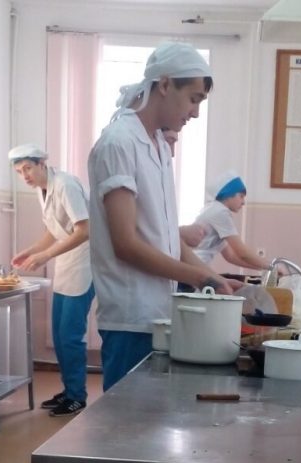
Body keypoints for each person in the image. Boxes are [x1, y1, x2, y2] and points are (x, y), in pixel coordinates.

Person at [87, 42, 236, 391]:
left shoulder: (158, 146)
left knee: (152, 418)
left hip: (159, 313)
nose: (195, 113)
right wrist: (200, 278)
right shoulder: (119, 143)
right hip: (132, 316)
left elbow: (168, 238)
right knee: (127, 419)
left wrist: (215, 280)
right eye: (194, 99)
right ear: (166, 84)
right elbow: (125, 244)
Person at [9, 143, 95, 417]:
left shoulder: (66, 185)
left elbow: (84, 230)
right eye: (19, 171)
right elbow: (54, 230)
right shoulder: (42, 189)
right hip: (67, 263)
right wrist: (31, 250)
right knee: (59, 334)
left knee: (70, 336)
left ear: (42, 163)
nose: (25, 175)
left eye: (28, 168)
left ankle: (77, 396)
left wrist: (45, 255)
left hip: (84, 264)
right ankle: (69, 390)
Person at [190, 171, 272, 271]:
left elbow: (231, 256)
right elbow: (242, 253)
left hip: (195, 266)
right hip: (194, 267)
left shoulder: (213, 208)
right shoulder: (220, 212)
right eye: (241, 196)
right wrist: (272, 267)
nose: (243, 202)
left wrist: (265, 268)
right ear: (228, 194)